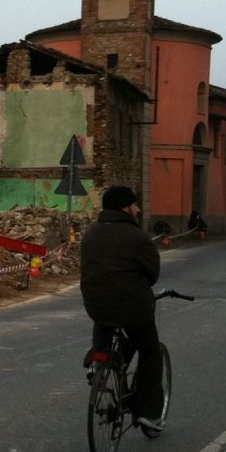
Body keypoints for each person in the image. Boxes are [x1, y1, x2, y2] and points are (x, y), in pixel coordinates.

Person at [79, 185, 165, 432]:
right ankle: (149, 413)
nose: (138, 209)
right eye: (135, 204)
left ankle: (99, 362)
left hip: (95, 305)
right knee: (150, 352)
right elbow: (152, 275)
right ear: (125, 208)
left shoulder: (90, 234)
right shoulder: (137, 237)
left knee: (104, 322)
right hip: (132, 307)